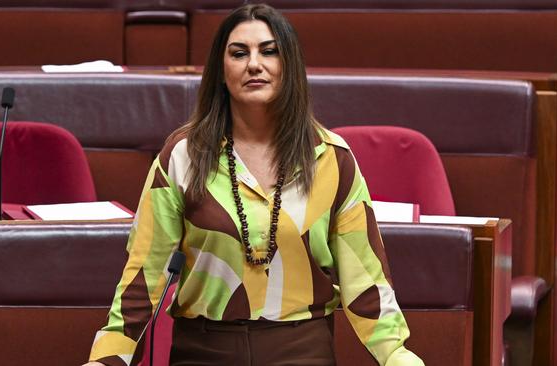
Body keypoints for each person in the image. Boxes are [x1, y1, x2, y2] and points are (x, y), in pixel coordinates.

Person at [84, 3, 424, 366]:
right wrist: (108, 358)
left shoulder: (331, 159)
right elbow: (143, 276)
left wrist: (396, 355)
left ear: (288, 65)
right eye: (239, 53)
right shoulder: (184, 156)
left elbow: (367, 280)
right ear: (221, 69)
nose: (254, 64)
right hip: (203, 350)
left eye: (269, 51)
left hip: (301, 350)